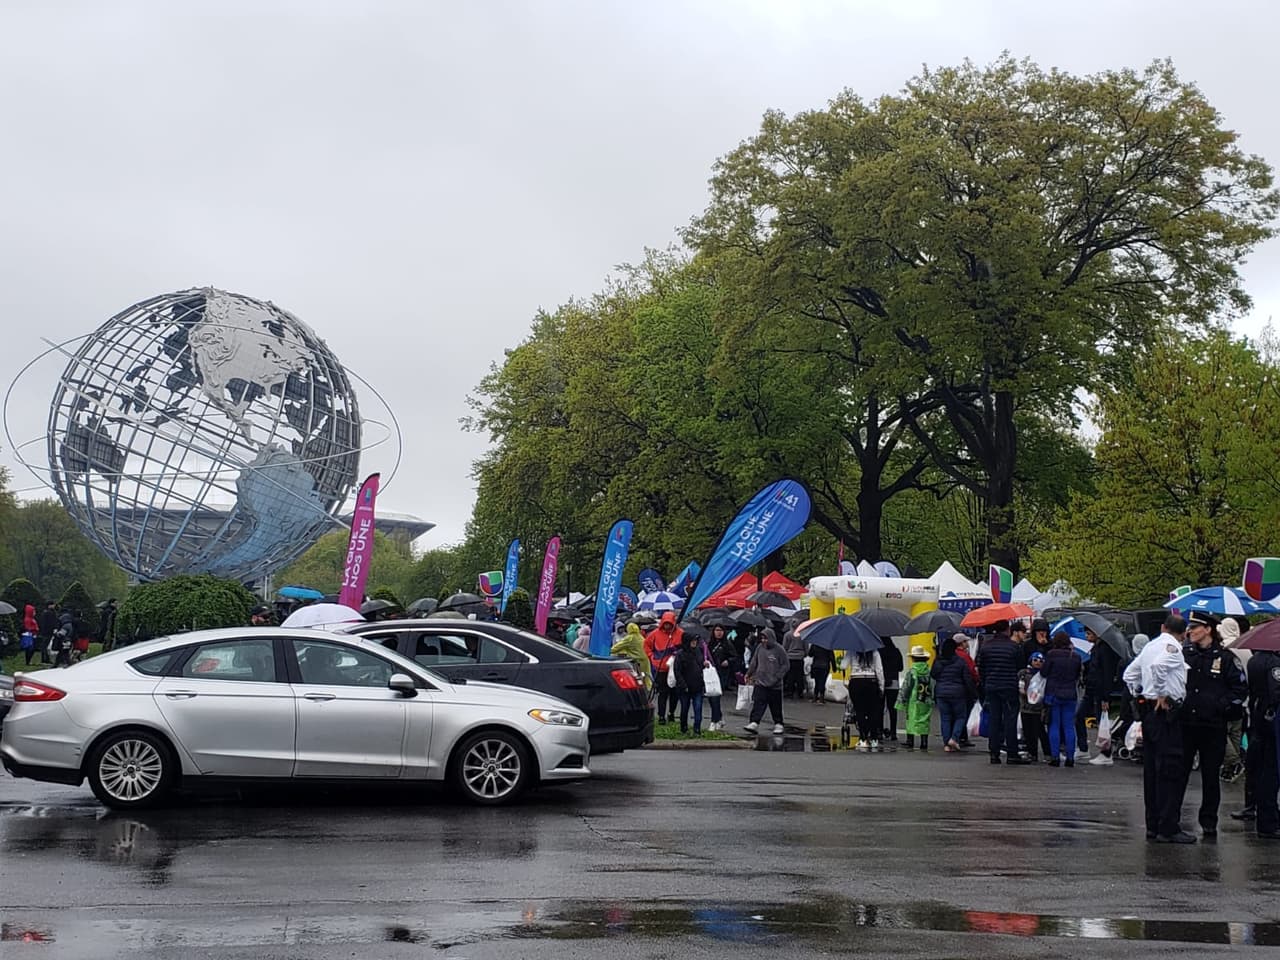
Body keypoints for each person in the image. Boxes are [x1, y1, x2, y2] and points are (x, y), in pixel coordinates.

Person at [1176, 610, 1247, 840]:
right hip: (1187, 724)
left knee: (1209, 777)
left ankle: (1208, 821)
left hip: (1212, 726)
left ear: (1208, 629)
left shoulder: (1225, 658)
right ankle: (1172, 819)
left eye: (1195, 627)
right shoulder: (1185, 654)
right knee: (1179, 774)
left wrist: (1220, 707)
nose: (1190, 631)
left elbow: (1239, 690)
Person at [1124, 614, 1193, 842]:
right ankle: (1168, 827)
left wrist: (1140, 694)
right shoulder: (1172, 648)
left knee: (1152, 771)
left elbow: (1130, 674)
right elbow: (1158, 667)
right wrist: (1162, 693)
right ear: (1183, 633)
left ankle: (1153, 825)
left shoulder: (1151, 645)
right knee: (1169, 770)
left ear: (1163, 627)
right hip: (1166, 712)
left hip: (1150, 713)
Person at [976, 620, 1028, 765]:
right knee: (1010, 720)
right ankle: (1012, 753)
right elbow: (1020, 667)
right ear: (1007, 630)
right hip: (1009, 687)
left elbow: (981, 668)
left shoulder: (986, 647)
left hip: (992, 687)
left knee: (994, 719)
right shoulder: (1014, 647)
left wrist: (986, 682)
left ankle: (994, 753)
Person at [1243, 641, 1280, 839]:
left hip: (1257, 715)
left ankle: (1265, 814)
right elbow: (1275, 692)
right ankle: (1269, 821)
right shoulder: (1274, 663)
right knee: (1271, 772)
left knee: (1259, 767)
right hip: (1271, 719)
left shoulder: (1254, 660)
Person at [1043, 632, 1082, 767]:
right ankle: (1070, 758)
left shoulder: (1051, 654)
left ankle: (1055, 757)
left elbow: (1044, 672)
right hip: (1070, 694)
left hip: (1053, 694)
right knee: (1069, 726)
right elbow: (1077, 675)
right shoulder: (1076, 657)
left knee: (1054, 725)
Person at [931, 636, 977, 752]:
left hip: (941, 692)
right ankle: (954, 738)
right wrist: (973, 693)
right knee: (960, 717)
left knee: (945, 718)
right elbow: (967, 679)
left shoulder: (938, 661)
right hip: (958, 693)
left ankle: (946, 744)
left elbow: (933, 675)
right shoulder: (960, 661)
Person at [1217, 616, 1247, 783]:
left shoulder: (1225, 648)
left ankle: (1233, 762)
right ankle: (1231, 768)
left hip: (1228, 697)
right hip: (1244, 700)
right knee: (1236, 733)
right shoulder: (1246, 645)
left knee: (1223, 733)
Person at [744, 627, 789, 735]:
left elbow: (785, 665)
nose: (764, 641)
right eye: (762, 638)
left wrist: (778, 677)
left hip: (775, 685)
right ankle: (754, 722)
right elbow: (754, 661)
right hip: (760, 681)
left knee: (776, 705)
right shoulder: (760, 648)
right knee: (758, 703)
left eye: (766, 638)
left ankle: (778, 724)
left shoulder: (779, 650)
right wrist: (749, 673)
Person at [644, 612, 684, 723]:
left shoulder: (680, 633)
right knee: (663, 693)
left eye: (669, 624)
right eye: (665, 624)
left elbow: (685, 647)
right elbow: (646, 645)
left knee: (674, 693)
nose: (667, 626)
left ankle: (671, 713)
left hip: (675, 669)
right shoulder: (655, 634)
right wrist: (651, 656)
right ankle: (661, 716)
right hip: (660, 668)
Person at [845, 646, 885, 752]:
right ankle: (874, 739)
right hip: (871, 681)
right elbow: (879, 670)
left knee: (859, 711)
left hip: (856, 681)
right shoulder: (875, 652)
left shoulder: (852, 650)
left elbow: (843, 665)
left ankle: (863, 738)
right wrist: (881, 687)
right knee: (873, 711)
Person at [898, 645, 934, 751]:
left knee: (911, 719)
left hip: (914, 700)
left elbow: (906, 687)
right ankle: (924, 741)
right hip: (926, 699)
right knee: (925, 719)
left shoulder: (912, 672)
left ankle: (910, 741)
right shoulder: (928, 671)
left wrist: (901, 700)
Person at [671, 632, 707, 735]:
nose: (695, 643)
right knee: (684, 709)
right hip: (685, 687)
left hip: (697, 686)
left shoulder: (698, 652)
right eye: (692, 641)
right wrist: (683, 685)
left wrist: (705, 665)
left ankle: (697, 729)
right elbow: (677, 671)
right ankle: (684, 728)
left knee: (698, 708)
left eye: (696, 641)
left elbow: (700, 666)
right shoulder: (680, 654)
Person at [1019, 650, 1049, 761]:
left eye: (1041, 661)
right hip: (1025, 707)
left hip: (1038, 708)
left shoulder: (1043, 675)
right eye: (1035, 660)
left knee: (1040, 731)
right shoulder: (1024, 673)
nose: (1037, 662)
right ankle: (1032, 752)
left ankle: (1047, 752)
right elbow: (1020, 686)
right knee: (1027, 731)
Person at [954, 633, 979, 748]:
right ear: (962, 643)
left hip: (953, 688)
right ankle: (960, 737)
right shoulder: (964, 656)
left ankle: (954, 737)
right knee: (963, 714)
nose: (967, 643)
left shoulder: (951, 655)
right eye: (965, 641)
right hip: (965, 688)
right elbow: (972, 671)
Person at [613, 622, 653, 693]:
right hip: (646, 660)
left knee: (638, 680)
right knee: (647, 678)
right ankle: (649, 692)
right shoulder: (640, 636)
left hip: (637, 662)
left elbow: (615, 648)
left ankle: (642, 695)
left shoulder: (630, 638)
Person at [879, 637, 904, 742]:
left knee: (879, 708)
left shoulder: (879, 652)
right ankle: (893, 733)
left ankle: (879, 731)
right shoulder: (896, 651)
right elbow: (900, 668)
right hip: (893, 682)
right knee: (892, 709)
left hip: (881, 682)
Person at [782, 624, 808, 700]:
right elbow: (806, 647)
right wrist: (804, 654)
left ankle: (790, 692)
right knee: (800, 676)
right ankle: (800, 692)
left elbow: (784, 647)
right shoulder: (802, 635)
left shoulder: (787, 635)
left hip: (790, 657)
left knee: (790, 676)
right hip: (800, 657)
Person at [37, 601, 58, 665]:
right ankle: (45, 659)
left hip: (45, 631)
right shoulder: (50, 613)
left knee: (44, 646)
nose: (54, 606)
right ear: (50, 605)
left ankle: (45, 659)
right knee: (45, 646)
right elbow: (52, 623)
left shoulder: (45, 612)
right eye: (53, 605)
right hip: (48, 632)